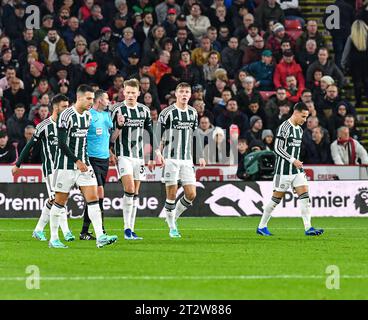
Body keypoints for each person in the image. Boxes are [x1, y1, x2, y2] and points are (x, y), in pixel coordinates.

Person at [50, 85, 118, 248]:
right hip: (66, 165)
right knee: (59, 202)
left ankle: (100, 236)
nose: (91, 101)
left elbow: (84, 141)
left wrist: (85, 161)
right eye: (88, 98)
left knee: (93, 199)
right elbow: (61, 143)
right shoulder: (66, 115)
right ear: (79, 98)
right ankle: (53, 239)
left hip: (84, 166)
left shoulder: (88, 116)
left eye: (92, 98)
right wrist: (76, 161)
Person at [12, 94, 75, 242]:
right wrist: (18, 164)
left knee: (54, 200)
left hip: (65, 168)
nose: (67, 110)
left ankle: (38, 229)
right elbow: (30, 146)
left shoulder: (68, 125)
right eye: (64, 107)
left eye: (68, 107)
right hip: (50, 169)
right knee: (59, 200)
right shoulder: (43, 126)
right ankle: (66, 232)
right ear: (55, 107)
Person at [257, 102, 324, 237]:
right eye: (303, 116)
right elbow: (277, 148)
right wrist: (293, 160)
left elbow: (296, 151)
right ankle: (261, 226)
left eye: (306, 117)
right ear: (296, 113)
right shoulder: (284, 127)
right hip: (283, 171)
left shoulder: (299, 129)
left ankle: (308, 228)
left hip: (296, 171)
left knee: (305, 196)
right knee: (276, 199)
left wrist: (298, 165)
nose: (305, 120)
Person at [156, 82, 206, 238]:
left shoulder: (192, 113)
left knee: (191, 194)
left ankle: (173, 218)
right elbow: (158, 134)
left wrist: (201, 155)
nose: (184, 94)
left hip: (187, 160)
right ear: (176, 94)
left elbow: (195, 134)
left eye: (187, 92)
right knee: (171, 194)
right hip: (171, 159)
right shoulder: (167, 112)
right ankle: (172, 227)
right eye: (182, 92)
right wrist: (158, 153)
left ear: (190, 95)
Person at [110, 79, 155, 240]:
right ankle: (126, 229)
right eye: (127, 92)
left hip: (139, 157)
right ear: (123, 91)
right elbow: (111, 133)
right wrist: (110, 150)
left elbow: (150, 132)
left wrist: (154, 155)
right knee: (129, 189)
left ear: (138, 93)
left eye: (132, 92)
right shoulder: (116, 109)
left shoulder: (144, 110)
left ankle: (131, 229)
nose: (130, 95)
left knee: (135, 192)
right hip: (123, 155)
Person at [79, 90, 118, 240]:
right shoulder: (89, 115)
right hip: (91, 159)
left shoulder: (106, 116)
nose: (109, 101)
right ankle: (100, 230)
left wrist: (119, 128)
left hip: (104, 160)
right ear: (99, 100)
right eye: (107, 98)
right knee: (98, 194)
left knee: (94, 198)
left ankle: (85, 231)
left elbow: (109, 136)